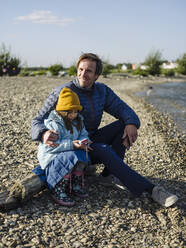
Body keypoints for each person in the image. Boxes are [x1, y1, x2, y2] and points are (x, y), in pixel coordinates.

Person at [31, 53, 178, 208]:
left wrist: (132, 123)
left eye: (88, 71)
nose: (83, 74)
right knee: (104, 150)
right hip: (67, 148)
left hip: (88, 140)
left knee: (124, 125)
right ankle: (151, 190)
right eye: (80, 69)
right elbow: (36, 121)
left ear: (97, 75)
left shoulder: (102, 91)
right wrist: (43, 133)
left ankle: (108, 175)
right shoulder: (63, 92)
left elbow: (123, 109)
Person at [36, 87, 92, 206]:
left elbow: (84, 134)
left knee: (82, 155)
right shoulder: (53, 125)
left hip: (69, 153)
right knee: (70, 155)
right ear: (62, 111)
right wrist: (72, 145)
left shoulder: (78, 121)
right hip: (52, 158)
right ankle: (58, 189)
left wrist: (84, 142)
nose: (73, 114)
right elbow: (51, 147)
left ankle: (75, 185)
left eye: (76, 111)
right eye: (70, 112)